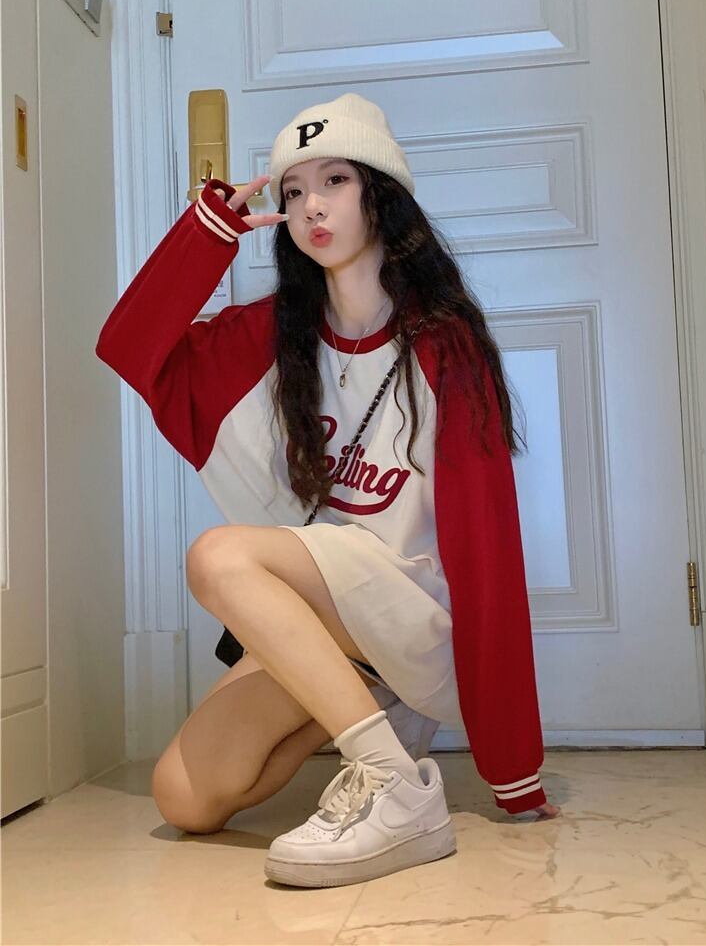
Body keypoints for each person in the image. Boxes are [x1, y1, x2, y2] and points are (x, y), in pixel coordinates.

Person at [95, 92, 560, 889]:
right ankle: (377, 718)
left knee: (218, 558)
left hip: (414, 612)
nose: (312, 205)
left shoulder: (444, 345)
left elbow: (488, 552)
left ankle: (393, 785)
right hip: (332, 617)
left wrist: (514, 768)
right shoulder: (273, 334)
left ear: (380, 195)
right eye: (294, 190)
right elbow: (129, 348)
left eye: (335, 180)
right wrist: (208, 231)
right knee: (186, 796)